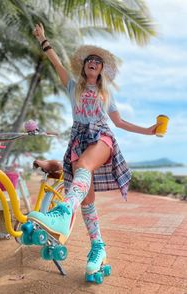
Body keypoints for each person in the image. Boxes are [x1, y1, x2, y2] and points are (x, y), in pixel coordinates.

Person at [29, 23, 158, 276]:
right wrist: (44, 39)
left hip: (101, 138)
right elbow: (57, 63)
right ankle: (98, 247)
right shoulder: (73, 87)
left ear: (101, 70)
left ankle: (63, 212)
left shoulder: (106, 93)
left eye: (98, 62)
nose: (94, 63)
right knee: (87, 201)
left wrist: (148, 130)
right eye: (90, 60)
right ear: (85, 66)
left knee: (85, 166)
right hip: (78, 142)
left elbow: (120, 122)